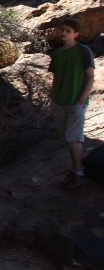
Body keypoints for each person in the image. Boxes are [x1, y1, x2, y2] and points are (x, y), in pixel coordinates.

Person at [48, 17, 96, 190]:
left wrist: (82, 99)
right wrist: (52, 97)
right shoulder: (58, 54)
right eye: (63, 30)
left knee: (73, 138)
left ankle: (79, 172)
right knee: (68, 139)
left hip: (75, 102)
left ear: (76, 34)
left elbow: (90, 76)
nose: (64, 33)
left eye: (68, 31)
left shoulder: (83, 51)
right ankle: (76, 168)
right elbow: (55, 77)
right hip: (59, 102)